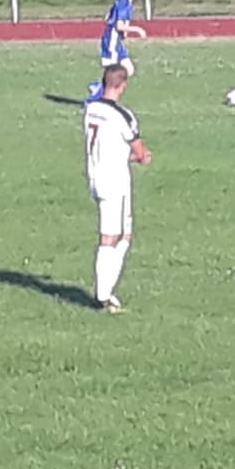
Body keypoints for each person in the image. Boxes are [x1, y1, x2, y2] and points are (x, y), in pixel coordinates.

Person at [83, 64, 151, 313]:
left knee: (118, 234)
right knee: (116, 237)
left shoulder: (91, 109)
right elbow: (139, 152)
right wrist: (142, 157)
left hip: (95, 177)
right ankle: (103, 295)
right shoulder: (123, 116)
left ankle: (106, 292)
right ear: (123, 86)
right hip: (115, 181)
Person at [87, 0, 146, 101]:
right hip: (111, 42)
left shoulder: (122, 1)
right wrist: (137, 30)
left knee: (129, 69)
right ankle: (96, 94)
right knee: (112, 74)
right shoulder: (124, 4)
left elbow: (108, 16)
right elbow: (119, 26)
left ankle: (99, 88)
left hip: (116, 43)